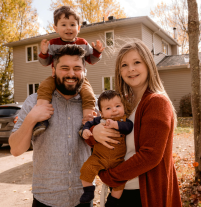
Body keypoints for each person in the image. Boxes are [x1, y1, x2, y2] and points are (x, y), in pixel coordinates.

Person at [85, 40, 182, 207]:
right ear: (119, 71)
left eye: (137, 62)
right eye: (124, 65)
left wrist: (109, 176)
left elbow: (149, 156)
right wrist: (94, 132)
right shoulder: (123, 103)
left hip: (142, 195)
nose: (131, 69)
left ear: (148, 65)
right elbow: (99, 129)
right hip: (121, 191)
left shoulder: (156, 102)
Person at [9, 45, 105, 207]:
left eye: (77, 68)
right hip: (45, 199)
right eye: (64, 68)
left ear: (84, 72)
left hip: (83, 198)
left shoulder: (93, 107)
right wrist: (32, 118)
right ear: (53, 70)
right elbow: (16, 150)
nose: (71, 74)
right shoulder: (34, 101)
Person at [33, 5, 104, 136]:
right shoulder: (53, 44)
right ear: (55, 28)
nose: (68, 28)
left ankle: (87, 124)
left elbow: (91, 60)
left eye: (72, 24)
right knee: (44, 88)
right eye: (64, 24)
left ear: (78, 27)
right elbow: (46, 62)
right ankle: (41, 120)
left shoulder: (82, 43)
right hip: (57, 78)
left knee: (89, 95)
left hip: (80, 80)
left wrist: (97, 52)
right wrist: (44, 52)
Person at [79, 90, 133, 206]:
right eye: (108, 108)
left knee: (120, 182)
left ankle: (112, 200)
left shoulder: (124, 121)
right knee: (86, 168)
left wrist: (116, 125)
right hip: (99, 157)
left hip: (117, 161)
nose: (114, 110)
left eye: (118, 106)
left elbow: (129, 127)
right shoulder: (99, 120)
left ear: (123, 107)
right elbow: (88, 123)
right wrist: (86, 130)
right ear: (101, 113)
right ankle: (88, 191)